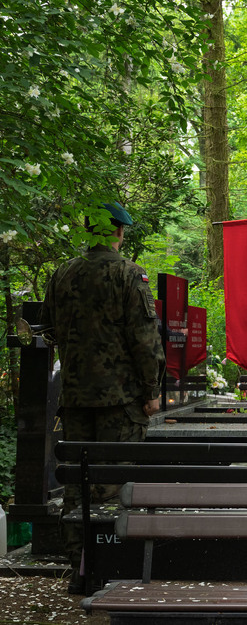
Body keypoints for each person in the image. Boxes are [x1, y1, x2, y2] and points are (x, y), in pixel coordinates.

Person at [40, 201, 165, 595]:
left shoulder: (63, 273)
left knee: (77, 483)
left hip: (76, 398)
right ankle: (111, 566)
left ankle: (80, 567)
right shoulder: (129, 274)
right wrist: (151, 391)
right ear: (119, 231)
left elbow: (49, 328)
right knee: (116, 482)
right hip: (121, 401)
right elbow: (145, 340)